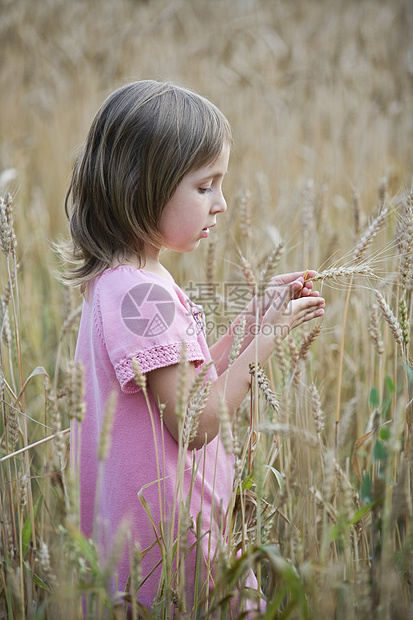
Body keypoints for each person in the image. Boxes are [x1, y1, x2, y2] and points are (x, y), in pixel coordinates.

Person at [63, 80, 325, 616]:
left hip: (149, 541)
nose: (222, 205)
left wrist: (251, 323)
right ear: (143, 187)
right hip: (173, 556)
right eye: (205, 187)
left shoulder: (128, 279)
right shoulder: (142, 293)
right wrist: (270, 339)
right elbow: (198, 420)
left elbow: (190, 378)